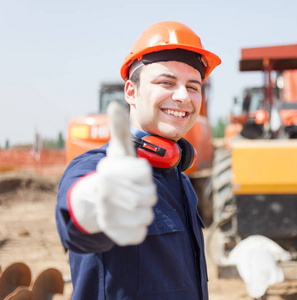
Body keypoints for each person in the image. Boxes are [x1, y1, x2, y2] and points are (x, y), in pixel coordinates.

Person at [55, 21, 221, 300]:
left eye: (193, 87)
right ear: (131, 92)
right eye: (166, 82)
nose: (183, 97)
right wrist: (96, 200)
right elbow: (78, 221)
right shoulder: (95, 168)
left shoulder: (180, 182)